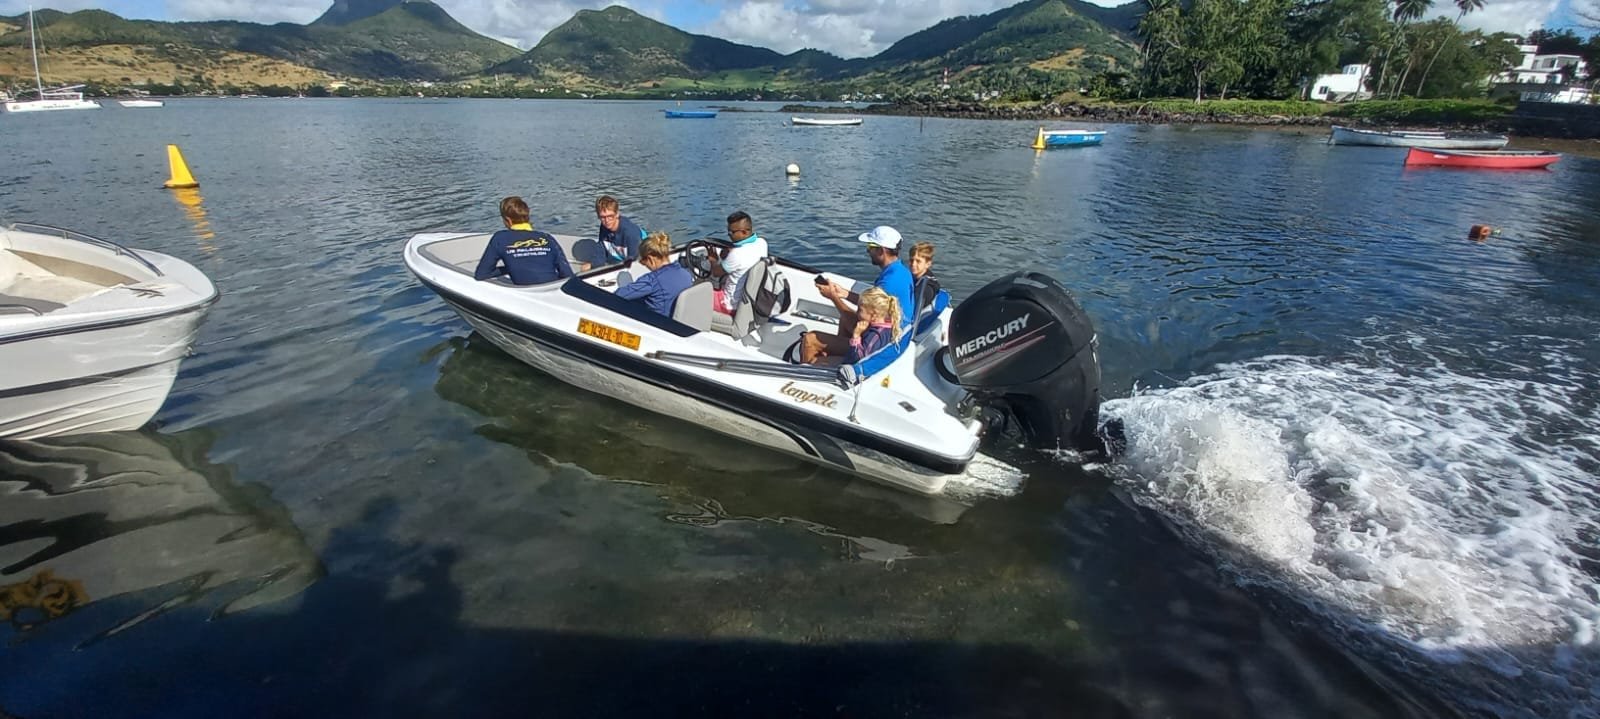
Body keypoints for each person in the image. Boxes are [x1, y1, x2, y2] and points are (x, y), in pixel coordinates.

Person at [799, 225, 915, 364]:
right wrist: (845, 294)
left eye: (870, 246)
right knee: (844, 319)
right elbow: (872, 302)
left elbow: (867, 311)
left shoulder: (889, 283)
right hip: (890, 331)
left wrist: (833, 297)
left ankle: (815, 371)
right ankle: (837, 356)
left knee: (810, 340)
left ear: (881, 250)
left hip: (880, 341)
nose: (868, 250)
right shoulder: (900, 271)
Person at [474, 196, 575, 285]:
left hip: (528, 294)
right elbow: (567, 274)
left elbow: (481, 274)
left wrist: (509, 268)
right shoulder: (547, 238)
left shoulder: (500, 238)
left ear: (508, 220)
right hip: (553, 289)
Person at [614, 231, 693, 317]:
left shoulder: (652, 281)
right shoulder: (686, 274)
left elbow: (618, 296)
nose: (643, 264)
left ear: (650, 259)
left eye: (642, 261)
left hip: (660, 324)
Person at [708, 210, 768, 315]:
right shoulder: (762, 243)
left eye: (732, 232)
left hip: (729, 305)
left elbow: (716, 273)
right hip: (750, 300)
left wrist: (713, 260)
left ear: (744, 232)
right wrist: (731, 251)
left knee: (692, 293)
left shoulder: (736, 254)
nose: (729, 235)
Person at [836, 287, 903, 366]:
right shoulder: (888, 327)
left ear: (874, 315)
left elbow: (859, 360)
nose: (857, 313)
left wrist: (856, 336)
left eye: (860, 310)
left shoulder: (876, 335)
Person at [907, 241, 949, 333]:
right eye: (911, 260)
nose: (913, 264)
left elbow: (912, 310)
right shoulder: (912, 277)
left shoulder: (926, 288)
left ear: (928, 264)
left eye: (918, 261)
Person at [595, 195, 645, 265]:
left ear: (617, 214)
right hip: (622, 258)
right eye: (603, 217)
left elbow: (634, 262)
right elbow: (601, 251)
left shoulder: (631, 233)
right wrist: (593, 266)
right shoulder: (604, 227)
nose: (607, 220)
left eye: (610, 216)